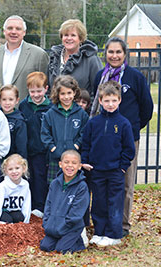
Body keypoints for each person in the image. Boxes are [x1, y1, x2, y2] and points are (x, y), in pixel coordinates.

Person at [90, 37, 153, 237]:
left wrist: (132, 128)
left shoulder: (135, 77)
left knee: (125, 184)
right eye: (111, 52)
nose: (114, 56)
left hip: (127, 139)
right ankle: (103, 224)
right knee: (103, 184)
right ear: (105, 54)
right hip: (103, 139)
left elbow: (147, 108)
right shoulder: (100, 76)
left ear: (125, 54)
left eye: (118, 52)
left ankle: (122, 225)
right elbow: (95, 103)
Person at [82, 81, 135, 246]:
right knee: (98, 202)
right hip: (97, 170)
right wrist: (85, 161)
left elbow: (129, 149)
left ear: (119, 100)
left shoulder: (124, 123)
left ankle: (114, 234)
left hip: (115, 172)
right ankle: (100, 231)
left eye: (113, 101)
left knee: (114, 202)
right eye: (106, 101)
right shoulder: (93, 123)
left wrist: (122, 166)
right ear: (100, 101)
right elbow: (86, 144)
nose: (110, 104)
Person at [0, 15, 49, 102]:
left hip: (25, 112)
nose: (13, 32)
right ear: (4, 31)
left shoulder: (39, 55)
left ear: (24, 32)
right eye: (10, 28)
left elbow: (45, 86)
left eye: (18, 29)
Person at [41, 75, 88, 184]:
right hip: (56, 159)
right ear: (57, 94)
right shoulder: (50, 114)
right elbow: (45, 134)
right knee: (55, 187)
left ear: (74, 93)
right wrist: (53, 148)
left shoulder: (81, 114)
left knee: (73, 188)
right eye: (62, 93)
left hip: (74, 160)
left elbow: (84, 133)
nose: (66, 97)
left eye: (69, 93)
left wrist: (76, 145)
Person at [40, 150, 89, 254]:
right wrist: (47, 223)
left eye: (74, 163)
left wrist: (61, 227)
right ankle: (61, 239)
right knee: (45, 246)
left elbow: (76, 214)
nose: (70, 166)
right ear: (60, 164)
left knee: (61, 249)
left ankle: (80, 240)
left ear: (80, 166)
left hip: (71, 227)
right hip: (55, 226)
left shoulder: (82, 186)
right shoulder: (54, 183)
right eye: (66, 162)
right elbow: (48, 205)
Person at [19, 72, 53, 217]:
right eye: (32, 91)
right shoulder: (24, 105)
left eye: (39, 91)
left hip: (42, 150)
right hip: (26, 149)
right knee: (27, 176)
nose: (36, 94)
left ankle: (40, 206)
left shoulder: (50, 107)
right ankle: (28, 205)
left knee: (40, 178)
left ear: (46, 89)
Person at [47, 19, 102, 95]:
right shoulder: (54, 57)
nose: (69, 38)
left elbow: (99, 90)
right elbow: (48, 88)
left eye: (73, 35)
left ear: (80, 38)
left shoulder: (91, 59)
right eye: (66, 35)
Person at [0, 154, 31, 225]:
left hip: (12, 211)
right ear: (5, 171)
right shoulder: (3, 186)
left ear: (24, 168)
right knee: (7, 220)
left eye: (17, 168)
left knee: (19, 217)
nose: (14, 171)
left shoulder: (25, 185)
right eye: (10, 169)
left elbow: (26, 204)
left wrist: (25, 223)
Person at [0, 84, 28, 159]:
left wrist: (20, 160)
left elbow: (21, 146)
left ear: (17, 100)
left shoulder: (19, 120)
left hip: (12, 159)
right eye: (4, 99)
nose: (7, 103)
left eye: (11, 99)